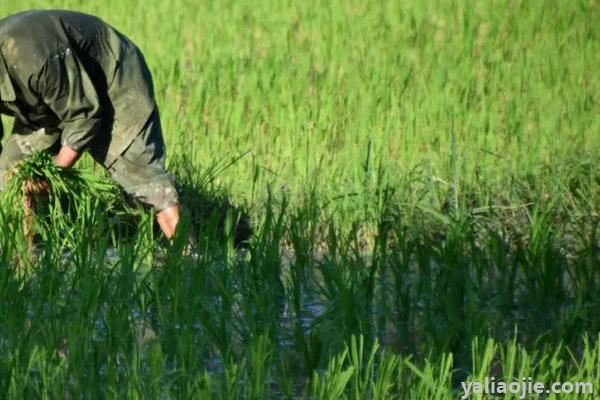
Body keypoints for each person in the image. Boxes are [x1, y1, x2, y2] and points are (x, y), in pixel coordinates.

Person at [0, 10, 181, 238]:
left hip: (112, 79)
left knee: (144, 182)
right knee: (12, 171)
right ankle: (28, 254)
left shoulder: (33, 59)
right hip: (52, 95)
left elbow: (84, 115)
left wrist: (54, 173)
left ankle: (188, 258)